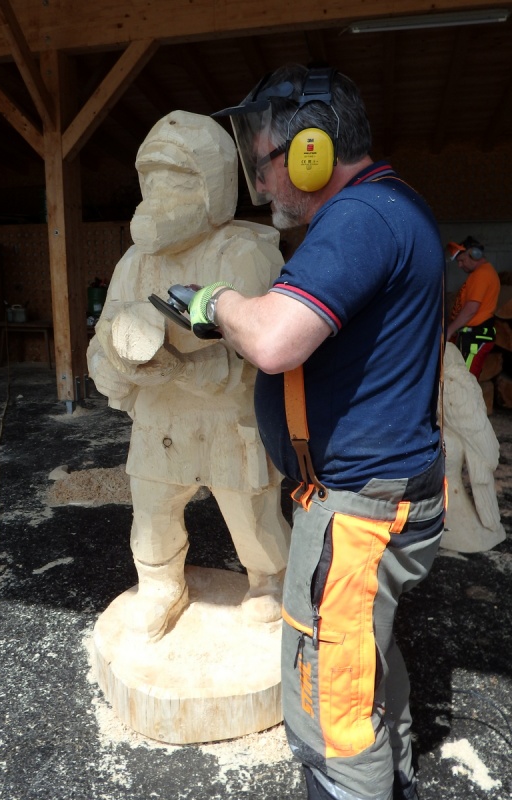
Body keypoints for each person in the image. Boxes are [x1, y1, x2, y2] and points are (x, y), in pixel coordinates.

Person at [184, 65, 446, 800]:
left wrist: (218, 302)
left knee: (330, 711)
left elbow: (274, 340)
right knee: (362, 665)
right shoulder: (387, 207)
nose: (262, 182)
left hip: (359, 508)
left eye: (265, 160)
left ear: (312, 151)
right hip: (378, 492)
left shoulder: (361, 217)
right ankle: (393, 781)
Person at [87, 110, 291, 642]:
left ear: (214, 188)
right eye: (150, 181)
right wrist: (110, 366)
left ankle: (269, 580)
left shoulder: (242, 253)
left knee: (250, 513)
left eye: (175, 181)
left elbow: (259, 355)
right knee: (152, 511)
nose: (157, 195)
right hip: (160, 419)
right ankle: (160, 585)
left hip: (228, 420)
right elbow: (104, 333)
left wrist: (179, 366)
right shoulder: (135, 261)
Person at [446, 236, 500, 379]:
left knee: (466, 382)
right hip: (471, 337)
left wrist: (450, 330)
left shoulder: (482, 274)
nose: (460, 265)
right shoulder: (479, 274)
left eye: (462, 260)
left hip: (475, 338)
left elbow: (471, 309)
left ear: (474, 254)